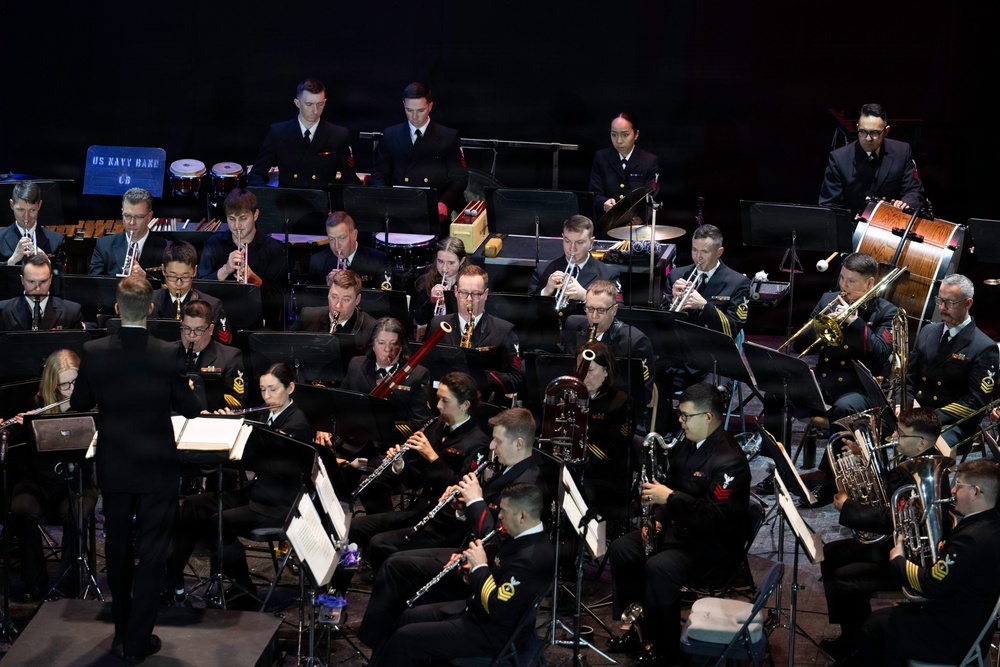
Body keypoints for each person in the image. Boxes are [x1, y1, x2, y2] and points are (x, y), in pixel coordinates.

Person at [70, 275, 202, 662]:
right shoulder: (167, 352)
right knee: (153, 551)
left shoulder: (94, 351)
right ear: (149, 309)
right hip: (157, 468)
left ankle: (122, 630)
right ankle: (138, 640)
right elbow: (190, 409)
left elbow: (80, 402)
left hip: (115, 466)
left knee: (117, 548)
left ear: (116, 308)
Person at [357, 407, 545, 651]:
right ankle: (382, 644)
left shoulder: (527, 485)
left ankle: (388, 646)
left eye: (498, 441)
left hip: (485, 572)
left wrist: (475, 501)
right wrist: (461, 505)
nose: (492, 447)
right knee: (393, 565)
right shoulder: (506, 465)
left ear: (519, 443)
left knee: (396, 569)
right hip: (467, 552)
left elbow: (495, 539)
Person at [606, 383, 750, 665]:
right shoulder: (687, 443)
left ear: (708, 417)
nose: (680, 421)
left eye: (686, 416)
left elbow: (716, 517)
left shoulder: (729, 460)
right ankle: (637, 628)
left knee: (660, 567)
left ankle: (665, 647)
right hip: (679, 531)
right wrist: (657, 519)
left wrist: (670, 499)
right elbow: (668, 485)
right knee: (623, 548)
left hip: (712, 546)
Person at [168, 362, 313, 610]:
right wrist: (221, 425)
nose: (267, 397)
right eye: (263, 390)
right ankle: (171, 579)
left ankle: (244, 587)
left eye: (273, 389)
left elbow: (263, 459)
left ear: (290, 388)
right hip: (258, 492)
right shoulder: (265, 414)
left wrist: (237, 431)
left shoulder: (296, 424)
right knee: (194, 504)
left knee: (218, 521)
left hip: (279, 502)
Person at [367, 483, 554, 667]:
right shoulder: (519, 536)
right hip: (478, 611)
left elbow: (497, 608)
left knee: (404, 639)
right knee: (409, 615)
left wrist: (480, 566)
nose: (500, 516)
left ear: (522, 516)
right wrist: (470, 570)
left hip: (491, 632)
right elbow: (497, 575)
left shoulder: (530, 560)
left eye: (504, 512)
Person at [758, 252, 897, 500]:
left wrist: (855, 323)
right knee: (775, 393)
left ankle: (829, 479)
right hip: (825, 383)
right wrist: (819, 325)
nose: (843, 286)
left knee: (845, 408)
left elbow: (880, 355)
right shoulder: (828, 299)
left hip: (860, 391)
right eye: (842, 278)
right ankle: (778, 469)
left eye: (851, 281)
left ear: (870, 283)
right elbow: (800, 345)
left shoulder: (887, 312)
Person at [819, 408, 946, 662]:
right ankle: (849, 634)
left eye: (901, 435)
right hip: (890, 542)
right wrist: (860, 457)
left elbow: (892, 520)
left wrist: (849, 507)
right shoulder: (913, 458)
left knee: (844, 579)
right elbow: (886, 491)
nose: (895, 439)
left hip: (907, 555)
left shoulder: (928, 473)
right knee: (830, 554)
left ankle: (858, 647)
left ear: (922, 442)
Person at [859, 459, 1000, 667]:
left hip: (950, 636)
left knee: (873, 626)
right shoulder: (989, 523)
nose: (952, 490)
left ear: (975, 492)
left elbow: (929, 585)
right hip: (964, 617)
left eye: (958, 485)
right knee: (886, 619)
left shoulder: (971, 539)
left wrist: (898, 559)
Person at [350, 372, 490, 573]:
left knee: (379, 543)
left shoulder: (478, 442)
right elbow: (415, 479)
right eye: (438, 399)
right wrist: (399, 465)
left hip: (445, 523)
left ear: (464, 405)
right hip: (419, 511)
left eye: (445, 401)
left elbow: (461, 490)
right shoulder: (436, 425)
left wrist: (433, 458)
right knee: (353, 527)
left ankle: (391, 584)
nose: (439, 406)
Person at [7, 349, 98, 602]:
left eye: (75, 382)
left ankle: (70, 582)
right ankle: (33, 579)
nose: (70, 390)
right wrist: (22, 428)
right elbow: (17, 454)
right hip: (37, 481)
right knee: (23, 510)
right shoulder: (34, 404)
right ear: (52, 384)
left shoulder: (92, 405)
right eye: (64, 384)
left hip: (76, 479)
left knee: (74, 512)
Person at [907, 274, 999, 448]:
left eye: (950, 302)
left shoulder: (984, 347)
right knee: (870, 433)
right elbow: (909, 378)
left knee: (921, 446)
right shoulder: (928, 331)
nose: (942, 307)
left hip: (953, 422)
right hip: (916, 411)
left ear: (968, 303)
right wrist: (903, 403)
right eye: (940, 300)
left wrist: (931, 418)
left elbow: (976, 401)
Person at [338, 317, 432, 467]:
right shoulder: (356, 364)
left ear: (401, 346)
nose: (388, 349)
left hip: (389, 451)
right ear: (372, 345)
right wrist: (324, 429)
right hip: (351, 446)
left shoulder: (416, 375)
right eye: (381, 343)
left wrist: (380, 427)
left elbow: (421, 423)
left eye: (393, 343)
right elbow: (340, 404)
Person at [562, 280, 654, 429]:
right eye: (589, 309)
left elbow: (642, 395)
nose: (594, 316)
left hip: (618, 414)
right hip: (579, 407)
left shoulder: (635, 341)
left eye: (601, 310)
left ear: (614, 310)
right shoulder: (573, 326)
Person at [372, 82, 469, 222]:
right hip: (399, 211)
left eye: (420, 110)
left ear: (430, 106)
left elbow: (459, 178)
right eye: (409, 110)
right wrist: (384, 199)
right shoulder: (391, 134)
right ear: (403, 105)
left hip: (434, 212)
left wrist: (444, 203)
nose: (414, 116)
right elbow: (380, 173)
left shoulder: (448, 136)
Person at [429, 265, 524, 399]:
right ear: (455, 291)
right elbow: (428, 368)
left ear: (485, 294)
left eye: (476, 294)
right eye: (464, 293)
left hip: (483, 403)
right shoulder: (437, 324)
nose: (469, 299)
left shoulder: (504, 330)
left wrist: (478, 375)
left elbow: (516, 380)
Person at [247, 78, 356, 190]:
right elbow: (257, 174)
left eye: (320, 104)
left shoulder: (338, 135)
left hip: (322, 203)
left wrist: (337, 205)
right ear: (297, 103)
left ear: (325, 102)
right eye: (309, 104)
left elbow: (350, 179)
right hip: (287, 203)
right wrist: (269, 200)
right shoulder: (279, 132)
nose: (315, 110)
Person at [197, 188, 287, 324]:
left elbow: (279, 302)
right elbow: (199, 289)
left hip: (259, 323)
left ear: (255, 215)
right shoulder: (214, 244)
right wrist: (225, 270)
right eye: (231, 219)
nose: (237, 225)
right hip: (218, 321)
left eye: (243, 218)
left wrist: (255, 281)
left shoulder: (273, 249)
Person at [819, 103, 924, 217]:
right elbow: (830, 206)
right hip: (854, 227)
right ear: (857, 127)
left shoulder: (902, 152)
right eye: (863, 132)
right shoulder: (839, 158)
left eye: (874, 133)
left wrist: (905, 204)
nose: (868, 138)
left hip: (892, 223)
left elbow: (913, 190)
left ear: (886, 131)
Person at [576, 340, 634, 520]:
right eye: (579, 367)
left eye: (590, 370)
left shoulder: (621, 402)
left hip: (605, 478)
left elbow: (614, 451)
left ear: (606, 371)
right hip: (576, 470)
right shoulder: (571, 396)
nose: (583, 374)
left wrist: (580, 452)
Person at [528, 215, 619, 310]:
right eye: (567, 241)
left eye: (579, 242)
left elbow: (618, 312)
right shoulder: (543, 269)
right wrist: (546, 291)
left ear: (591, 242)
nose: (572, 248)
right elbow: (527, 310)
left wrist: (586, 296)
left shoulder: (609, 274)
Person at [177, 299, 245, 411]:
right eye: (186, 328)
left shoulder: (229, 357)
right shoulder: (166, 352)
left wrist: (200, 394)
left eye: (199, 330)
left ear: (210, 329)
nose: (191, 335)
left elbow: (237, 402)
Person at [152, 240, 228, 340]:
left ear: (194, 271)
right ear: (163, 270)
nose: (179, 283)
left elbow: (222, 347)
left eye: (185, 276)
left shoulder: (213, 305)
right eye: (172, 276)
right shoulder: (149, 301)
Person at [589, 112, 659, 218]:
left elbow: (651, 197)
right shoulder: (601, 157)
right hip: (608, 224)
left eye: (625, 135)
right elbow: (594, 194)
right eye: (614, 134)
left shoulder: (649, 161)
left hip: (637, 227)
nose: (619, 141)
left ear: (636, 134)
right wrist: (604, 202)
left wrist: (640, 217)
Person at [89, 187, 168, 277]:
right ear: (122, 213)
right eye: (127, 216)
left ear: (149, 216)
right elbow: (94, 284)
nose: (132, 222)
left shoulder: (167, 249)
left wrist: (145, 277)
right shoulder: (104, 246)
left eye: (138, 217)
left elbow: (170, 286)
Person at [291, 268, 377, 344]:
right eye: (334, 297)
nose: (338, 305)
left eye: (346, 299)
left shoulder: (371, 328)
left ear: (357, 300)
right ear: (328, 294)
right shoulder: (307, 316)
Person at [0, 254, 83, 331]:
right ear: (22, 280)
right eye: (31, 282)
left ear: (50, 279)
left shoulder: (72, 311)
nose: (37, 288)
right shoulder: (3, 311)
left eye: (43, 282)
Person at [306, 211, 389, 287]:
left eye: (342, 238)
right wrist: (329, 288)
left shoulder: (378, 260)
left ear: (354, 235)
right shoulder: (317, 262)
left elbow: (383, 299)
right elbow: (312, 299)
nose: (337, 246)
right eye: (331, 239)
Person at [411, 237, 469, 328]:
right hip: (433, 334)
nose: (444, 268)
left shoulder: (470, 283)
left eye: (451, 263)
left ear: (461, 261)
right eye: (440, 261)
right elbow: (419, 320)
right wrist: (431, 302)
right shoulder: (425, 281)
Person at [1, 181, 64, 265]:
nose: (26, 217)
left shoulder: (57, 240)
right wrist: (12, 260)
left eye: (32, 210)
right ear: (12, 204)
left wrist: (47, 262)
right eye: (20, 210)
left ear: (39, 205)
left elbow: (60, 276)